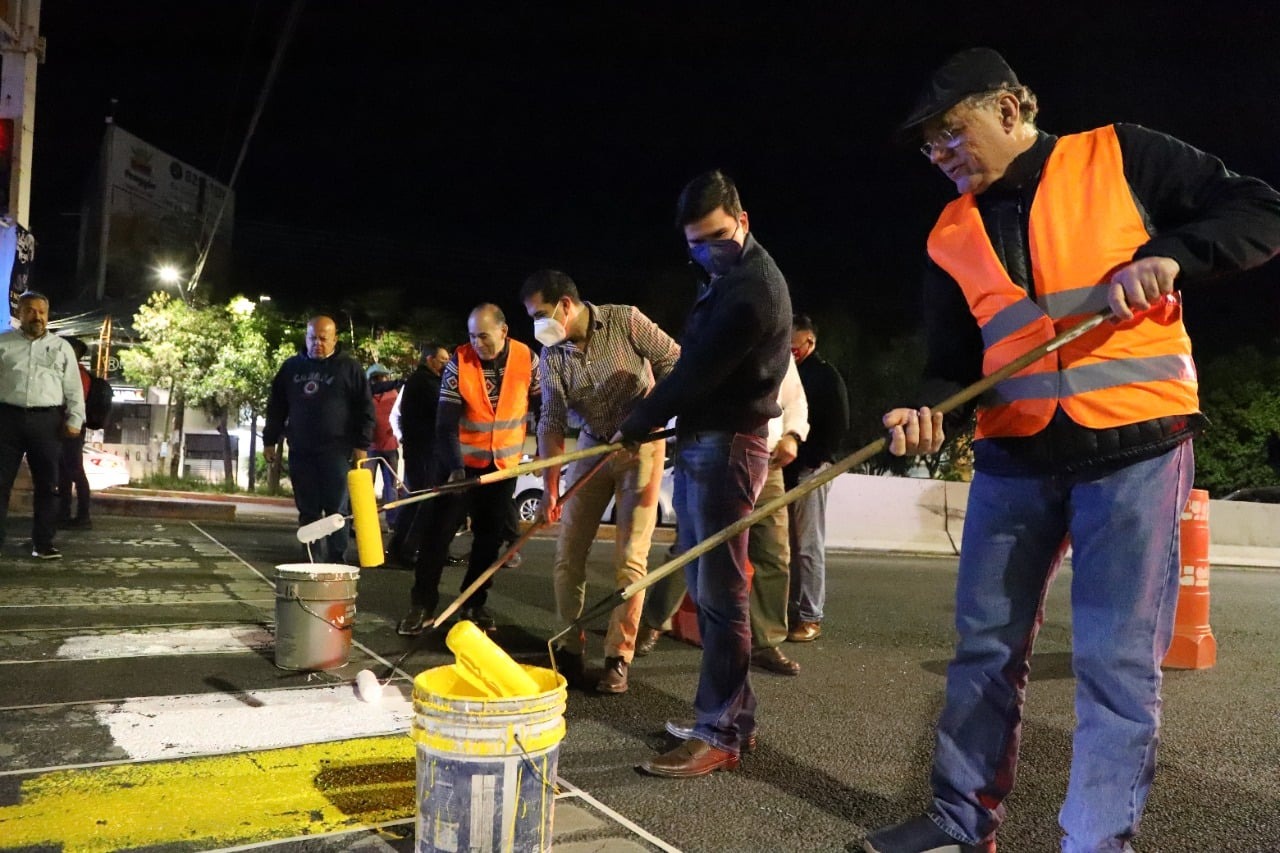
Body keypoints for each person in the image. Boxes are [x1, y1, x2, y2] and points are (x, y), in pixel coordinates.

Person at [864, 48, 1280, 853]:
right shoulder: (948, 233)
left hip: (1134, 448)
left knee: (1115, 663)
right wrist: (927, 407)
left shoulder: (1119, 154)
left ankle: (1095, 841)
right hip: (1014, 457)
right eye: (929, 145)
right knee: (983, 648)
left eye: (952, 130)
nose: (941, 153)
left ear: (1012, 109)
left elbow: (1261, 210)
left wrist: (1170, 255)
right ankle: (960, 821)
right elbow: (952, 362)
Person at [616, 170, 792, 778]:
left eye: (715, 236)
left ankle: (719, 731)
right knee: (707, 580)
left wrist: (637, 420)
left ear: (742, 221)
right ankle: (728, 717)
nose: (704, 250)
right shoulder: (724, 275)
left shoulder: (752, 290)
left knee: (721, 593)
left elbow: (697, 374)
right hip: (704, 440)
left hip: (728, 447)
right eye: (694, 242)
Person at [521, 268, 681, 694]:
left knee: (630, 559)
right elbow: (552, 423)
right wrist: (550, 490)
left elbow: (676, 364)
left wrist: (646, 418)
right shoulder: (552, 355)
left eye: (540, 314)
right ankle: (569, 647)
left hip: (642, 449)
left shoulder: (627, 321)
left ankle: (617, 656)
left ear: (566, 306)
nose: (538, 325)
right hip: (592, 447)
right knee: (567, 550)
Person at [638, 354, 809, 677]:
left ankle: (765, 641)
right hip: (711, 458)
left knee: (774, 553)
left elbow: (795, 400)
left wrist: (792, 436)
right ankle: (651, 624)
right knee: (690, 547)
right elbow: (679, 395)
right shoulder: (710, 341)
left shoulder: (776, 348)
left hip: (766, 463)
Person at [397, 304, 540, 635]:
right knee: (437, 536)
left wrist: (540, 444)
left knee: (488, 542)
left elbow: (545, 403)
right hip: (458, 467)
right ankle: (421, 604)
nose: (478, 343)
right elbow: (445, 425)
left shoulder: (527, 359)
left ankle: (473, 604)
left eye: (485, 336)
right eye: (473, 336)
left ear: (504, 332)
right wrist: (456, 469)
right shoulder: (457, 363)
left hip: (502, 468)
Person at [263, 316, 374, 564]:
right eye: (313, 338)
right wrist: (269, 440)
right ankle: (311, 558)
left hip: (337, 451)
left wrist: (361, 445)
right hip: (301, 451)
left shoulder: (349, 368)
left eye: (323, 338)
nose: (318, 343)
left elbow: (365, 408)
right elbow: (276, 406)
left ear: (334, 339)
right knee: (308, 509)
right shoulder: (291, 368)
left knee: (337, 509)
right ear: (306, 337)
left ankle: (337, 560)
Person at [0, 292, 85, 559]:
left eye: (41, 312)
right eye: (30, 311)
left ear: (47, 315)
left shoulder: (62, 348)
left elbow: (73, 387)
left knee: (48, 484)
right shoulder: (3, 344)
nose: (36, 316)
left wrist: (75, 420)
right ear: (20, 313)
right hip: (6, 420)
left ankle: (43, 543)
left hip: (47, 423)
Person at [784, 313, 849, 643]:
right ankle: (791, 609)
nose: (790, 351)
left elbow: (837, 428)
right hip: (790, 471)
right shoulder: (788, 373)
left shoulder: (825, 376)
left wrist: (813, 463)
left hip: (813, 470)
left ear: (810, 342)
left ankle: (811, 615)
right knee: (788, 547)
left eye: (795, 346)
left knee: (808, 545)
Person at [387, 341, 450, 564]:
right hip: (423, 449)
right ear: (429, 359)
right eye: (443, 360)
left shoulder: (426, 381)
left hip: (423, 448)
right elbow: (442, 410)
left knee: (422, 498)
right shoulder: (425, 382)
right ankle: (403, 550)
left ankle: (410, 548)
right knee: (421, 498)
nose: (446, 365)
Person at [57, 336, 94, 530]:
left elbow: (75, 401)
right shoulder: (77, 373)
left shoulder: (79, 375)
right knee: (64, 472)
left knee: (75, 471)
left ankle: (82, 516)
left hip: (73, 427)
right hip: (66, 427)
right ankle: (64, 514)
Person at [366, 363, 401, 527]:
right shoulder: (366, 396)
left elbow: (401, 416)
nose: (380, 380)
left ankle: (393, 521)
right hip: (370, 447)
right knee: (366, 487)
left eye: (383, 377)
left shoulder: (394, 394)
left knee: (391, 487)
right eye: (377, 378)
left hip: (390, 446)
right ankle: (364, 520)